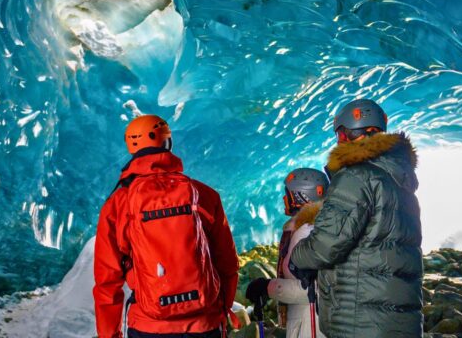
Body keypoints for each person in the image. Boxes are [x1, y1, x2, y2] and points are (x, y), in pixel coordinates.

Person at [93, 115, 240, 338]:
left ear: (132, 148)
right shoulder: (205, 194)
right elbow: (228, 264)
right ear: (167, 143)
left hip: (148, 326)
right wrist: (222, 310)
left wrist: (109, 334)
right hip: (205, 322)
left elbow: (107, 282)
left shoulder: (117, 204)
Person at [288, 99, 423, 337]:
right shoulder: (400, 182)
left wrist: (298, 257)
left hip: (360, 321)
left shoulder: (356, 176)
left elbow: (325, 245)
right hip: (402, 320)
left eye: (339, 134)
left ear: (346, 135)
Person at [245, 168, 329, 338]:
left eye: (288, 194)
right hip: (309, 321)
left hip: (312, 325)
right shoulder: (314, 229)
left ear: (301, 196)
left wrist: (268, 288)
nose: (284, 198)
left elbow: (313, 290)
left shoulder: (308, 233)